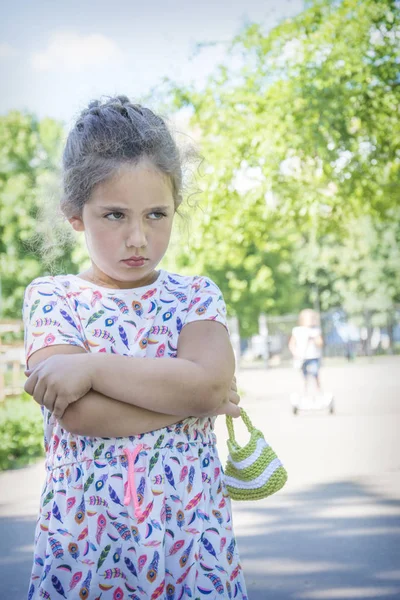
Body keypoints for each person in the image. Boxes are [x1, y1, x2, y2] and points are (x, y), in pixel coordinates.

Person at [22, 96, 248, 599]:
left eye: (156, 214)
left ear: (175, 209)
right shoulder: (53, 297)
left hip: (191, 542)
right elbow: (79, 414)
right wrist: (189, 395)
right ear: (75, 215)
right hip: (87, 545)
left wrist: (92, 366)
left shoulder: (195, 295)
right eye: (115, 215)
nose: (138, 237)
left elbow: (208, 384)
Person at [288, 309, 323, 394]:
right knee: (304, 375)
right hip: (302, 357)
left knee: (315, 373)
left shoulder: (315, 331)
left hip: (313, 356)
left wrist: (314, 338)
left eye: (313, 319)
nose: (311, 321)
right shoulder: (297, 330)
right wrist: (295, 353)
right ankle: (304, 392)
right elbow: (291, 344)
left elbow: (320, 343)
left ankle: (318, 391)